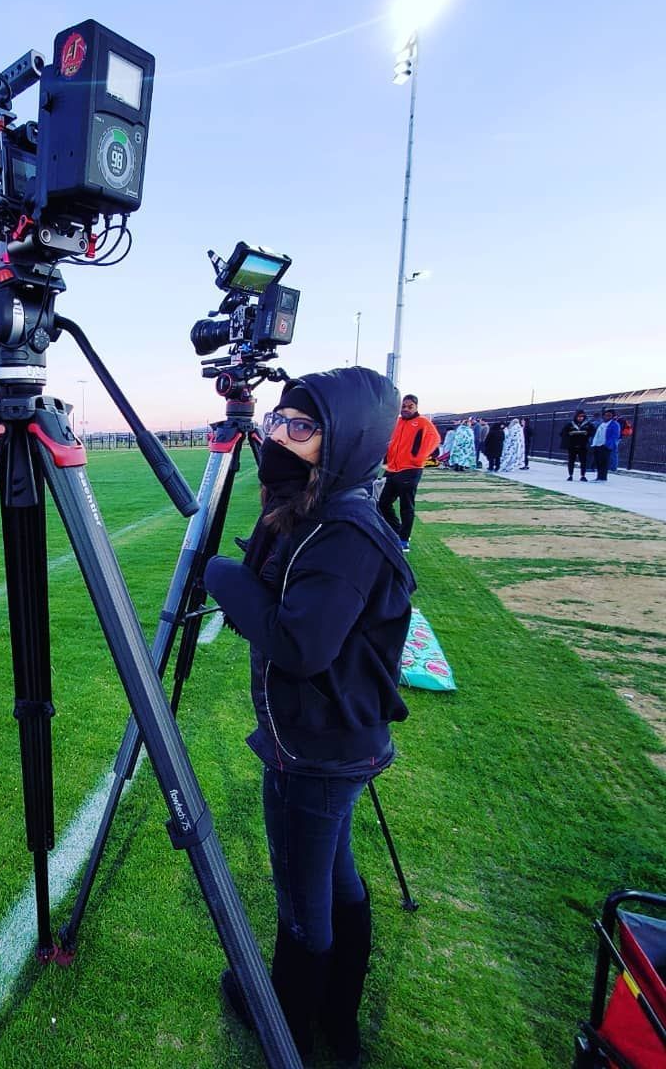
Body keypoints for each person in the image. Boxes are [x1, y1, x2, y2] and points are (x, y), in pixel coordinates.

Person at [205, 367, 414, 1066]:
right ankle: (334, 1018)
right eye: (277, 424)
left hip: (316, 749)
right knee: (336, 878)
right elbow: (294, 615)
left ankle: (289, 1026)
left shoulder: (346, 530)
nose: (281, 439)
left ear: (347, 439)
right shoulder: (328, 511)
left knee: (303, 904)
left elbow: (300, 643)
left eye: (302, 427)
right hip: (337, 738)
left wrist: (221, 577)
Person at [377, 394, 440, 551]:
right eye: (403, 406)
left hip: (411, 470)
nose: (406, 409)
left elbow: (435, 439)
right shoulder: (397, 422)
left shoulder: (423, 422)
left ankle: (404, 540)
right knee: (382, 502)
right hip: (392, 468)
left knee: (406, 505)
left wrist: (417, 457)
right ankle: (398, 531)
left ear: (416, 407)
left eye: (409, 406)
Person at [560, 409, 592, 481]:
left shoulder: (588, 424)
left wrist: (587, 433)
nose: (580, 418)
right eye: (579, 416)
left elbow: (593, 432)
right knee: (571, 461)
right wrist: (570, 434)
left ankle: (583, 475)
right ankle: (570, 475)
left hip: (583, 445)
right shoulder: (570, 424)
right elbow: (562, 433)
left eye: (582, 417)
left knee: (583, 461)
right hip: (572, 445)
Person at [589, 408, 621, 481]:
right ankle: (599, 476)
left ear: (612, 416)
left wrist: (608, 444)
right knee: (598, 462)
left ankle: (603, 477)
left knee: (604, 462)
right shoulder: (602, 424)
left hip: (605, 446)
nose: (607, 417)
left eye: (609, 415)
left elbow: (615, 436)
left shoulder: (614, 424)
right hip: (598, 445)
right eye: (606, 415)